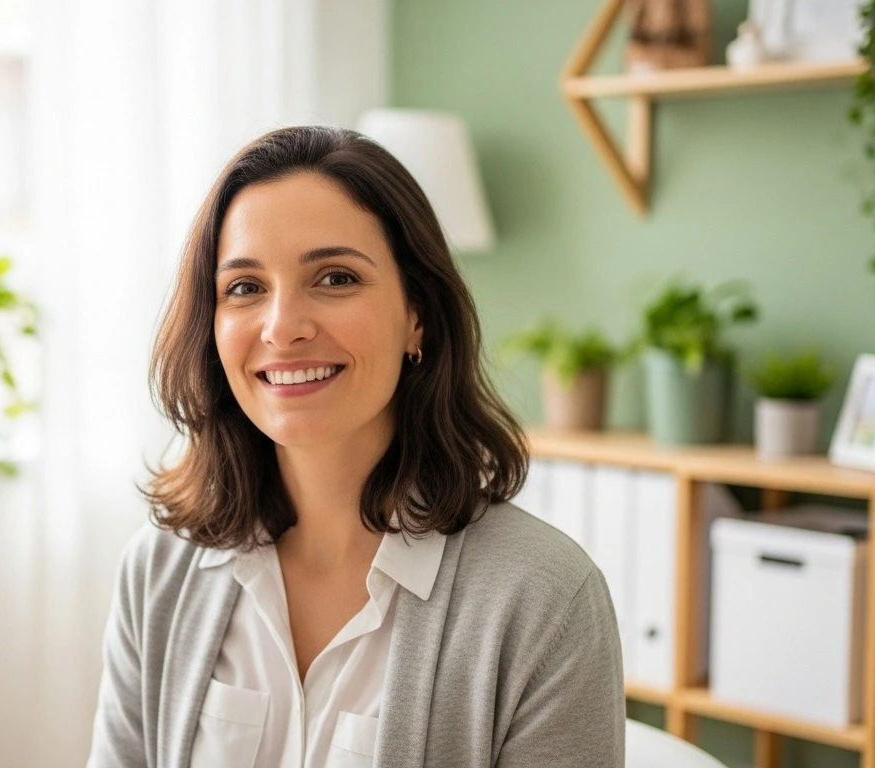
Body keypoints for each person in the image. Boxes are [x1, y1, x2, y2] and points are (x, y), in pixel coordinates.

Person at [86, 125, 624, 768]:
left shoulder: (545, 602)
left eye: (336, 278)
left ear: (416, 316)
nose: (283, 327)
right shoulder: (158, 570)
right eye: (245, 287)